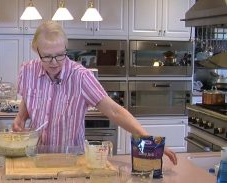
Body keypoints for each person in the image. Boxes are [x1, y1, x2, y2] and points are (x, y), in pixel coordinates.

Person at [12, 21, 177, 165]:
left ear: (65, 49)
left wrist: (148, 139)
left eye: (60, 55)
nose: (55, 63)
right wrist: (20, 118)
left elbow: (114, 111)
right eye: (47, 57)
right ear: (36, 50)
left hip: (71, 160)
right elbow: (28, 98)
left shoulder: (81, 76)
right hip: (35, 157)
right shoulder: (27, 70)